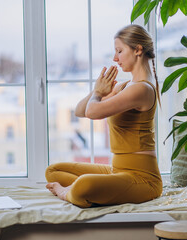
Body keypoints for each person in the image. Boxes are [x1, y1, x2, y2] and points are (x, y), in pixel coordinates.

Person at [45, 24, 162, 208]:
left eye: (120, 51)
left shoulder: (142, 89)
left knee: (84, 185)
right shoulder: (124, 87)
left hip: (143, 179)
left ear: (138, 50)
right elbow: (80, 111)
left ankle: (69, 193)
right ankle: (79, 191)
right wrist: (97, 90)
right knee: (53, 171)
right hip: (116, 171)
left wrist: (98, 94)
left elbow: (93, 112)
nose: (115, 59)